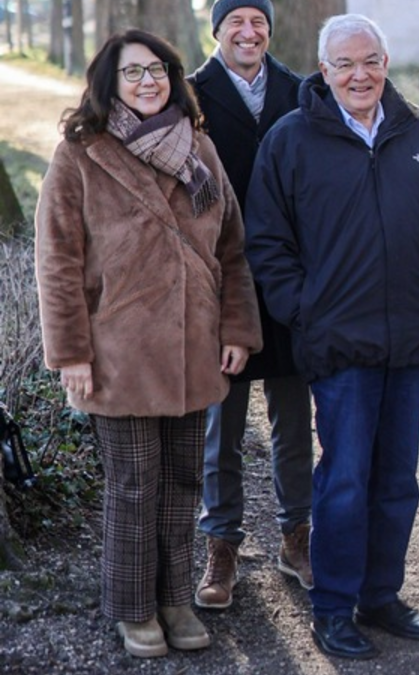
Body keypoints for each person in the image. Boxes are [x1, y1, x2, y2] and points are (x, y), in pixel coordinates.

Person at [243, 14, 419, 660]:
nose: (359, 75)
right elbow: (268, 242)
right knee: (344, 479)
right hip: (340, 345)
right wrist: (306, 310)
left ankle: (380, 594)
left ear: (386, 63)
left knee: (397, 480)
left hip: (413, 341)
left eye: (369, 61)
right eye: (344, 64)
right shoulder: (291, 139)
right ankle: (334, 607)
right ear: (325, 71)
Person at [35, 29, 262, 658]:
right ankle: (133, 608)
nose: (148, 81)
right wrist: (70, 353)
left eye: (158, 70)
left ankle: (175, 599)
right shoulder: (81, 153)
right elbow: (57, 261)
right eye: (132, 72)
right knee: (135, 485)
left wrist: (238, 329)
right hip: (119, 353)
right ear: (109, 83)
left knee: (184, 482)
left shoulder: (199, 148)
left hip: (193, 347)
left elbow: (232, 249)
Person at [188, 0, 314, 610]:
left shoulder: (299, 90)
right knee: (224, 425)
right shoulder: (192, 94)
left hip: (288, 278)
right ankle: (221, 544)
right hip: (222, 278)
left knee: (294, 420)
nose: (248, 31)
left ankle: (297, 536)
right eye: (235, 20)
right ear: (217, 30)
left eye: (258, 21)